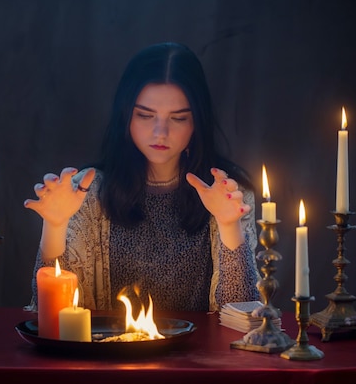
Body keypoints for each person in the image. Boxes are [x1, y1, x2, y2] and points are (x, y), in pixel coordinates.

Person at [24, 42, 259, 313]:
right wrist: (54, 226)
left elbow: (243, 311)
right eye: (145, 115)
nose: (160, 132)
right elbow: (52, 313)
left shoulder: (226, 192)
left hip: (200, 354)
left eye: (178, 118)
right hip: (109, 352)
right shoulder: (86, 192)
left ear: (197, 122)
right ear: (126, 116)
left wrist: (229, 225)